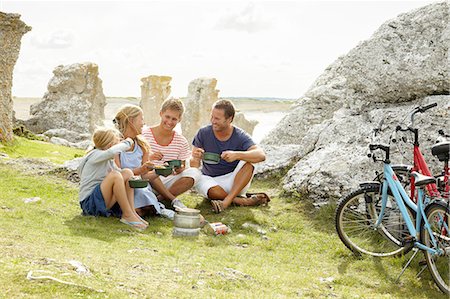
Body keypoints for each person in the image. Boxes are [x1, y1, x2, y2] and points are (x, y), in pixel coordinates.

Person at [191, 99, 269, 213]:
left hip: (235, 182)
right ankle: (243, 201)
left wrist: (236, 155)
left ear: (230, 119)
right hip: (210, 180)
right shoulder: (203, 133)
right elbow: (194, 166)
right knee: (202, 181)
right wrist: (195, 158)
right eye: (211, 117)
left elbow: (261, 155)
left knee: (249, 162)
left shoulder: (239, 135)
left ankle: (227, 201)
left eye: (217, 118)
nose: (213, 121)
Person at [77, 127, 147, 230]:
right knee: (115, 175)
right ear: (110, 145)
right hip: (90, 204)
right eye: (116, 143)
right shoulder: (95, 155)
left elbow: (122, 176)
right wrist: (128, 142)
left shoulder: (108, 161)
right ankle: (127, 215)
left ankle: (131, 213)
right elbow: (111, 154)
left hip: (102, 200)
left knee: (127, 172)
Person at [113, 105, 175, 218]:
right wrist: (140, 170)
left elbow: (145, 177)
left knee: (142, 198)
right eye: (141, 119)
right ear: (131, 121)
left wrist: (157, 172)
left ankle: (150, 206)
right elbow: (118, 174)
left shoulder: (142, 145)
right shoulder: (115, 144)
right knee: (139, 210)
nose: (143, 123)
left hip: (140, 187)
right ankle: (149, 207)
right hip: (122, 188)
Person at [142, 98, 201, 207]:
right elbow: (135, 160)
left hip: (168, 181)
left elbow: (183, 164)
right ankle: (167, 199)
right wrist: (150, 158)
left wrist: (180, 168)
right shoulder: (144, 135)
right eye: (167, 117)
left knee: (195, 173)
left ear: (179, 119)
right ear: (161, 113)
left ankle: (159, 200)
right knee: (151, 175)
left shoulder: (181, 141)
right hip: (149, 179)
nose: (169, 122)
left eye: (174, 119)